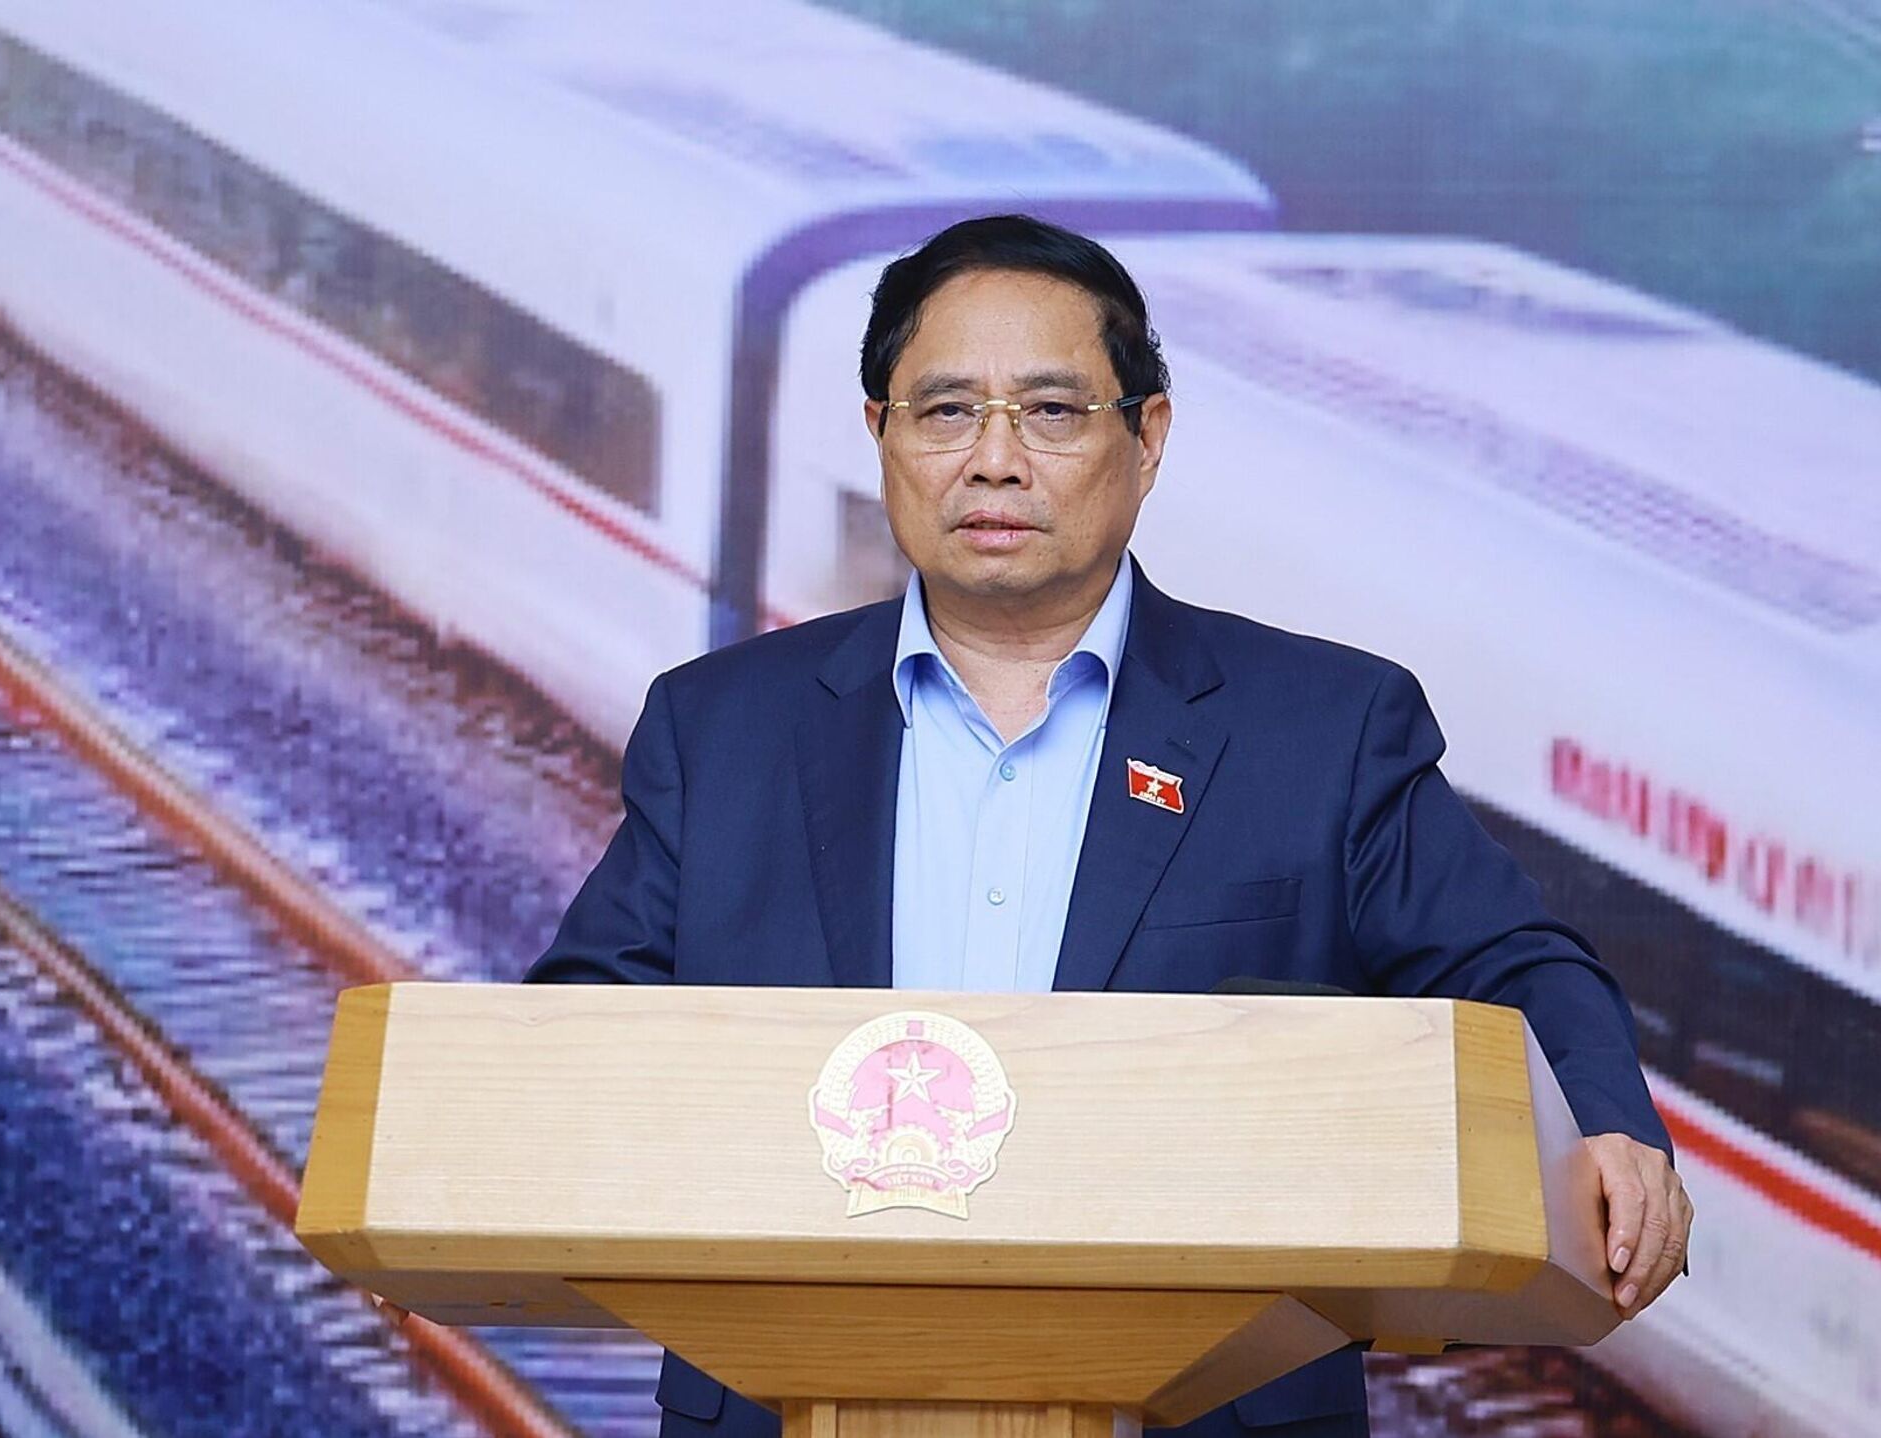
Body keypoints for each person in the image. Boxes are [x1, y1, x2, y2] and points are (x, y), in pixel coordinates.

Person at [528, 214, 1693, 1438]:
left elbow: (1511, 963)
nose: (994, 460)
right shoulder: (722, 728)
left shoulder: (1324, 730)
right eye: (945, 411)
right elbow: (581, 1031)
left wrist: (1608, 1123)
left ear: (1148, 437)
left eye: (1051, 411)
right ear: (880, 435)